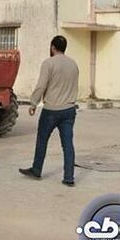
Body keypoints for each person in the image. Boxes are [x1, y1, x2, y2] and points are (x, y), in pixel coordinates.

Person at [19, 35, 80, 186]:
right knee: (67, 144)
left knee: (42, 140)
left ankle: (37, 169)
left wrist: (33, 103)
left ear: (53, 47)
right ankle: (69, 178)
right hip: (69, 109)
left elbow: (41, 85)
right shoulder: (73, 64)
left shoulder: (48, 63)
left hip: (51, 110)